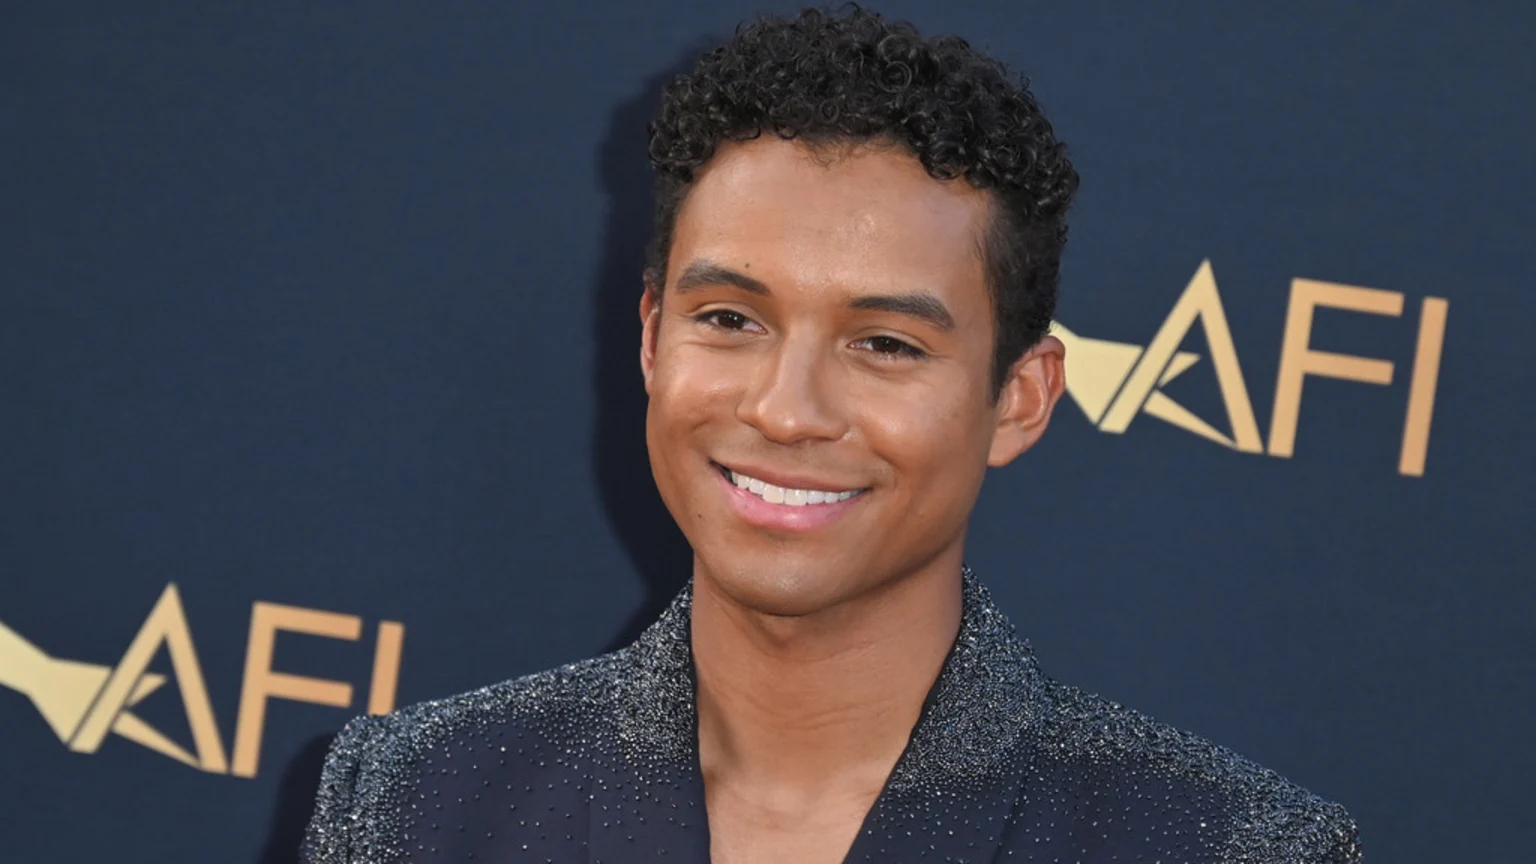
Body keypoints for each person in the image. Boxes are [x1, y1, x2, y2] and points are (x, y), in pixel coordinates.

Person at [301, 6, 1360, 862]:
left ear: (1022, 399)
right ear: (652, 338)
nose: (786, 409)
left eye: (886, 344)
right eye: (730, 320)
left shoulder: (1232, 848)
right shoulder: (416, 804)